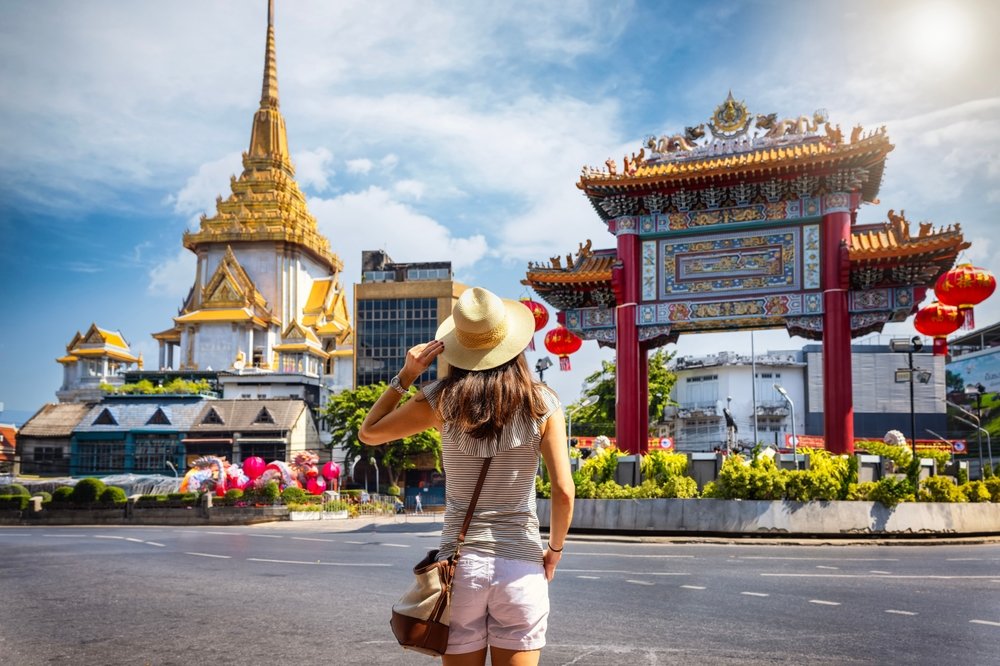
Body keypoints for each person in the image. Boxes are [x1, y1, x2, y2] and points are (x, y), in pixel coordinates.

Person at [360, 286, 574, 666]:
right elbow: (563, 490)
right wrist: (553, 553)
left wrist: (406, 375)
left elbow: (369, 432)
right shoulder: (544, 402)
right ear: (512, 343)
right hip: (522, 565)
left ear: (458, 346)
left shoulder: (441, 399)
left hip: (461, 569)